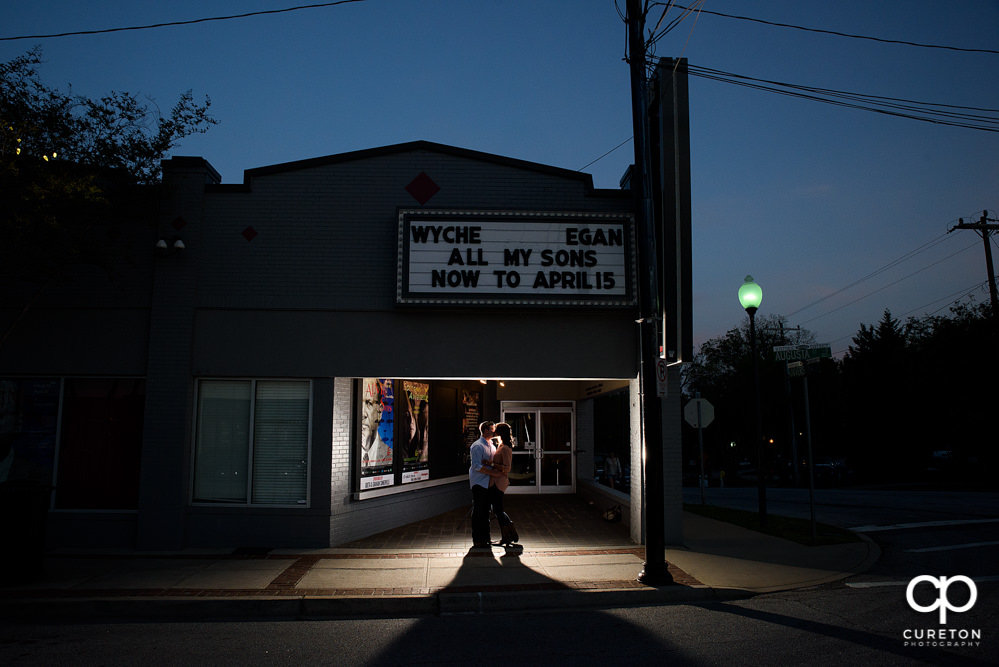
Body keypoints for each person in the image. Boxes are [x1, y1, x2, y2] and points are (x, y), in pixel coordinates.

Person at [485, 422, 519, 546]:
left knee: (498, 509)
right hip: (494, 481)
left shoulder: (505, 448)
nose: (493, 432)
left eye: (496, 430)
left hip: (499, 482)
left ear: (500, 432)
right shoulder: (501, 445)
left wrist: (492, 464)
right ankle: (508, 533)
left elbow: (507, 468)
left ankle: (509, 533)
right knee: (498, 509)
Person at [468, 421, 496, 548]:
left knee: (486, 510)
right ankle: (477, 538)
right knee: (479, 510)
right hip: (479, 482)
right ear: (485, 431)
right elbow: (476, 466)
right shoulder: (477, 446)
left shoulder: (492, 445)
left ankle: (486, 537)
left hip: (488, 482)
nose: (494, 431)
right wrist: (492, 471)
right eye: (492, 429)